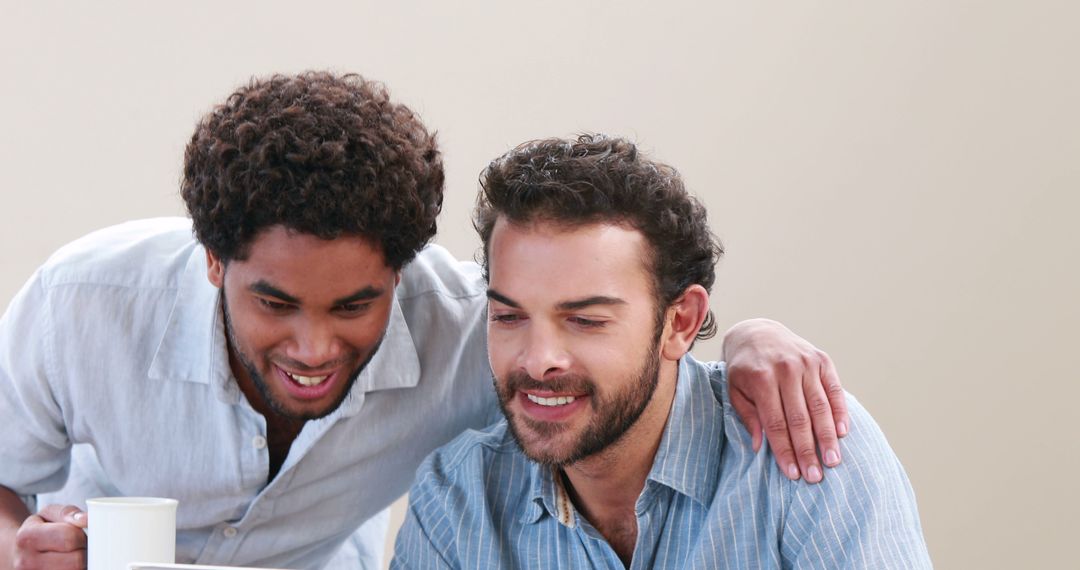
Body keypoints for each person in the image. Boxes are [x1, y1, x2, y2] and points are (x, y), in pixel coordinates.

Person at [0, 73, 847, 570]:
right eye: (274, 303)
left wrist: (747, 335)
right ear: (214, 260)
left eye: (355, 305)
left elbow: (606, 345)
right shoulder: (84, 303)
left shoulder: (474, 331)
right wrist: (20, 551)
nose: (312, 349)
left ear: (400, 273)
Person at [392, 134, 931, 569]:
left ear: (680, 322)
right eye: (509, 317)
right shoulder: (456, 497)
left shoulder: (803, 448)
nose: (537, 360)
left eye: (584, 320)